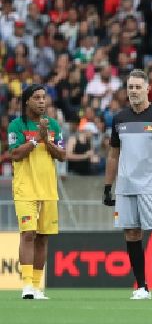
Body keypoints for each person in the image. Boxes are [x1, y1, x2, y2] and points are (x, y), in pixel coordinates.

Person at [103, 69, 152, 300]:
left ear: (148, 89)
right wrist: (108, 186)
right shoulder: (119, 119)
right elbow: (113, 155)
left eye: (138, 87)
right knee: (131, 233)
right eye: (130, 87)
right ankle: (142, 287)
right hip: (126, 187)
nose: (134, 91)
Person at [8, 84, 66, 299]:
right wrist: (35, 140)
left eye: (44, 97)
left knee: (43, 237)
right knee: (28, 234)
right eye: (38, 98)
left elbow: (61, 155)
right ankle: (26, 287)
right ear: (27, 102)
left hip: (48, 189)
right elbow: (14, 154)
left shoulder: (53, 125)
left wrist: (47, 140)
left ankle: (37, 286)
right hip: (25, 189)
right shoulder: (17, 125)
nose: (43, 101)